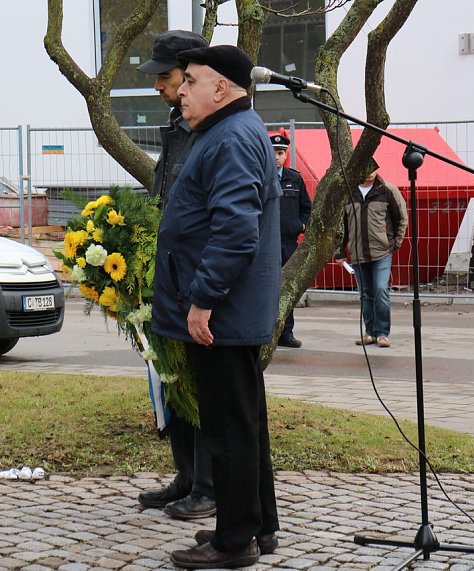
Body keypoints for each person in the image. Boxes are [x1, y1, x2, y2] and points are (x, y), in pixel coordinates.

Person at [152, 44, 281, 569]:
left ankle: (234, 541)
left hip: (223, 312)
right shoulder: (232, 129)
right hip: (234, 309)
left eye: (191, 82)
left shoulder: (230, 137)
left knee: (229, 427)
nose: (181, 90)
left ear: (220, 88)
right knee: (245, 424)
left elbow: (234, 229)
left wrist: (203, 300)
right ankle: (257, 525)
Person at [135, 30, 217, 521]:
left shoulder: (209, 131)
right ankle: (187, 477)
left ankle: (208, 486)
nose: (161, 88)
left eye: (166, 77)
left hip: (196, 281)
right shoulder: (177, 126)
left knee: (199, 387)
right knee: (172, 381)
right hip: (170, 276)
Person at [335, 168, 408, 348]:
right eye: (365, 167)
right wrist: (340, 252)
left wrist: (395, 243)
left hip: (382, 252)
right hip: (358, 254)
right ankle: (369, 332)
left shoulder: (386, 190)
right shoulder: (348, 192)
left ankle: (383, 332)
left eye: (373, 168)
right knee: (365, 294)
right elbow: (340, 226)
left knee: (381, 289)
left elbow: (401, 217)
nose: (369, 172)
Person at [270, 130, 311, 348]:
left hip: (288, 244)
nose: (276, 157)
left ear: (286, 155)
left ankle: (286, 332)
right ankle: (268, 332)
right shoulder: (258, 177)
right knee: (267, 288)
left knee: (287, 288)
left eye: (280, 153)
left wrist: (301, 225)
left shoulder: (294, 178)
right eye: (272, 152)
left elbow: (306, 207)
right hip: (265, 245)